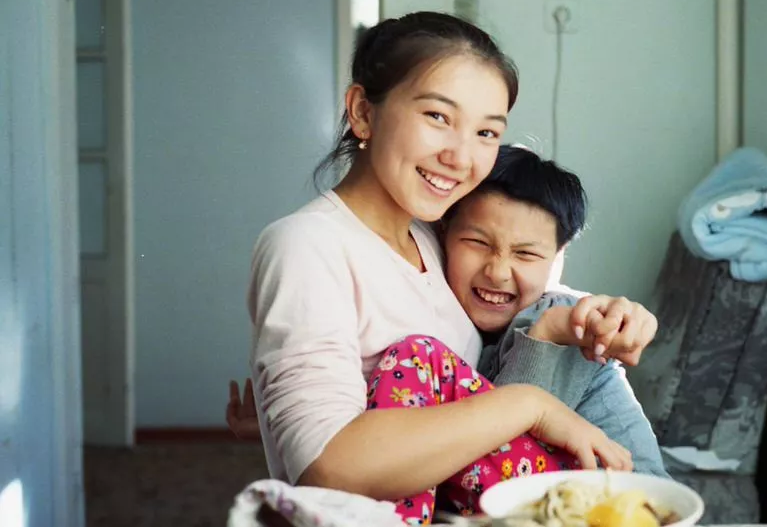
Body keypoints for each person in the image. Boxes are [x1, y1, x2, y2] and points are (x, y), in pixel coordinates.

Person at [245, 12, 658, 522]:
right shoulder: (307, 243)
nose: (461, 157)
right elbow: (328, 466)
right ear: (363, 112)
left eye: (486, 132)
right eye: (438, 117)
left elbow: (511, 310)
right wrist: (532, 406)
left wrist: (611, 317)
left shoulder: (430, 233)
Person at [230, 145, 666, 479]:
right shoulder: (444, 303)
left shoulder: (568, 323)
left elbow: (492, 461)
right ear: (442, 235)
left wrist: (547, 338)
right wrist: (281, 423)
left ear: (558, 257)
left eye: (527, 254)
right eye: (477, 243)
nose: (498, 272)